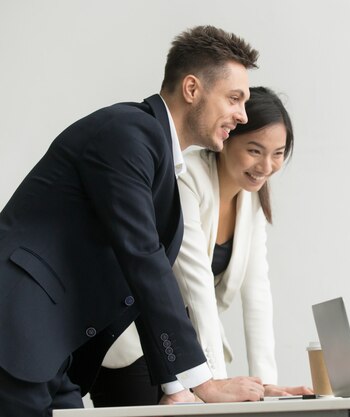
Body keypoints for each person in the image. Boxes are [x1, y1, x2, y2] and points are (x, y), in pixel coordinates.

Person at [0, 25, 267, 417]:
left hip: (52, 355)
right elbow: (142, 258)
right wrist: (202, 381)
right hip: (16, 331)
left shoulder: (156, 159)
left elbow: (138, 279)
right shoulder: (129, 133)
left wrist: (176, 385)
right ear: (192, 89)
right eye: (234, 99)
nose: (242, 116)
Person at [89, 87, 313, 406]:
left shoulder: (251, 204)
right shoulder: (187, 177)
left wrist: (267, 387)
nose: (266, 166)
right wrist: (216, 386)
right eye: (254, 150)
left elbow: (257, 295)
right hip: (135, 341)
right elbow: (197, 285)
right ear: (227, 139)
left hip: (188, 351)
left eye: (278, 153)